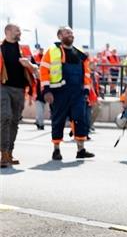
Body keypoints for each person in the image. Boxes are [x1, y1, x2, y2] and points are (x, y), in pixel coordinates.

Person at [39, 26, 95, 161]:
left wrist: (86, 90)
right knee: (58, 120)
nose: (70, 34)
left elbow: (87, 73)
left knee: (80, 120)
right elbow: (44, 71)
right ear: (59, 36)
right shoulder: (52, 52)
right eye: (66, 32)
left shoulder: (80, 54)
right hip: (59, 92)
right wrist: (46, 90)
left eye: (71, 33)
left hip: (78, 93)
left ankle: (80, 149)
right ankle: (56, 150)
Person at [1, 24, 38, 167]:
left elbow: (36, 70)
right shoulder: (0, 47)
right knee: (5, 117)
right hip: (3, 87)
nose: (19, 33)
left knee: (15, 121)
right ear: (8, 32)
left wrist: (29, 64)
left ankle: (9, 152)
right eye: (17, 30)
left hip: (20, 89)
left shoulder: (25, 49)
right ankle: (3, 153)